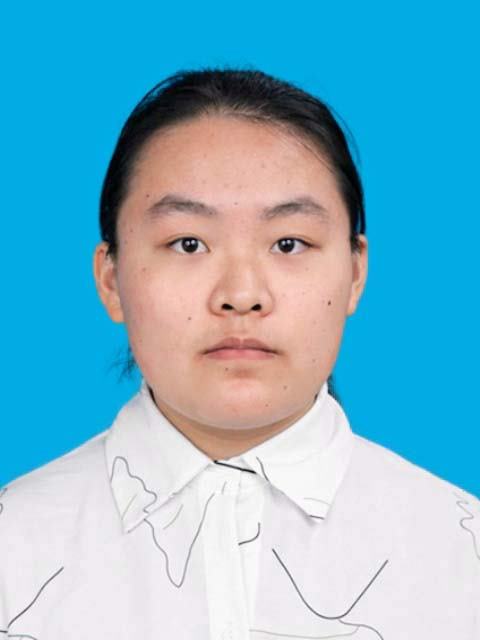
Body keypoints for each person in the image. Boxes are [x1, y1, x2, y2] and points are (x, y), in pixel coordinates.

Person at [0, 68, 478, 639]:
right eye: (188, 243)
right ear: (111, 279)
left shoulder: (460, 555)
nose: (242, 295)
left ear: (355, 272)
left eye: (288, 243)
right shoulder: (14, 549)